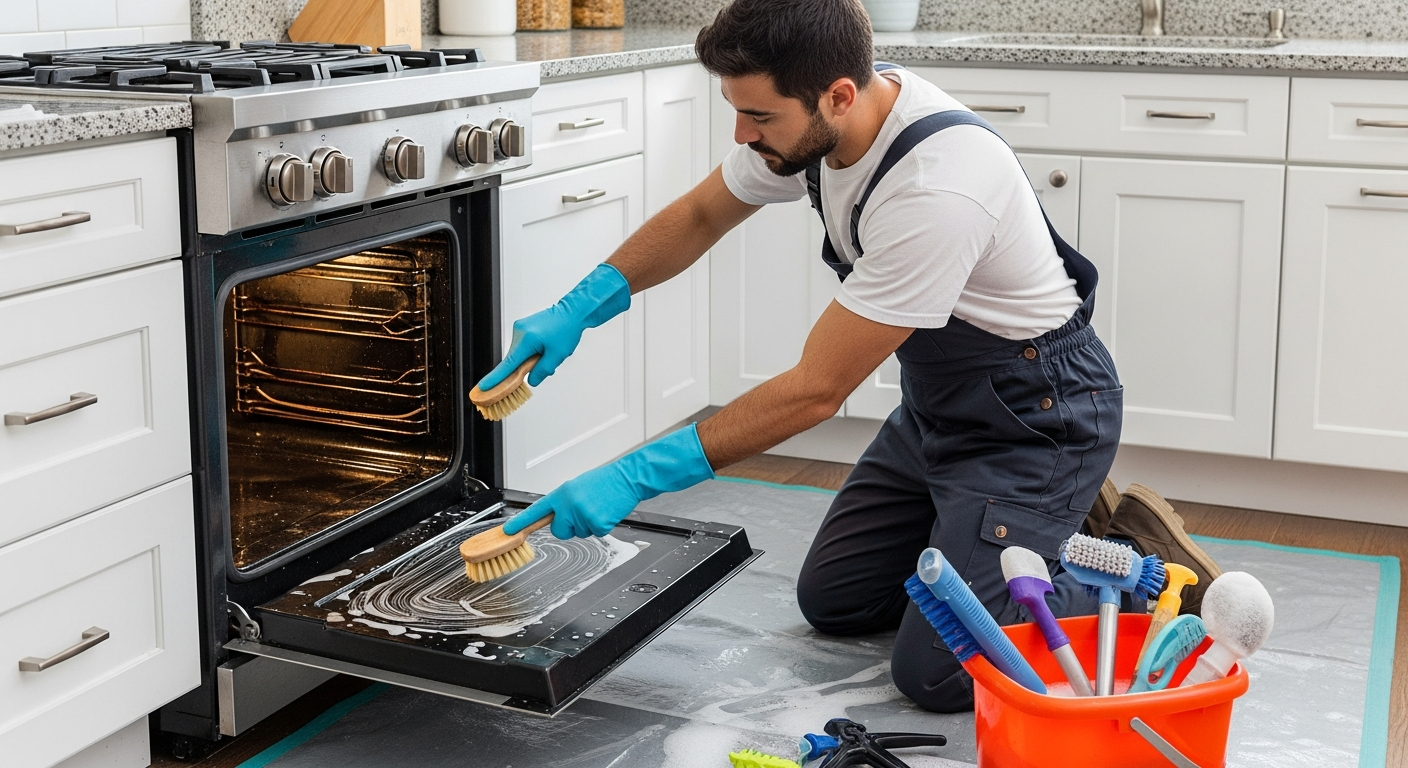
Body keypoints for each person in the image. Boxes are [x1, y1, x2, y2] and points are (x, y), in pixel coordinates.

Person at [475, 0, 1220, 712]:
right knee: (835, 602)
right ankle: (998, 535)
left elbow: (815, 391)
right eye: (737, 110)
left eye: (758, 116)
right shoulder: (821, 121)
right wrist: (580, 306)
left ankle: (1138, 571)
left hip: (1037, 420)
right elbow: (704, 212)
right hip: (937, 413)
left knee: (936, 673)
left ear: (835, 95)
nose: (741, 134)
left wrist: (634, 474)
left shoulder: (936, 187)